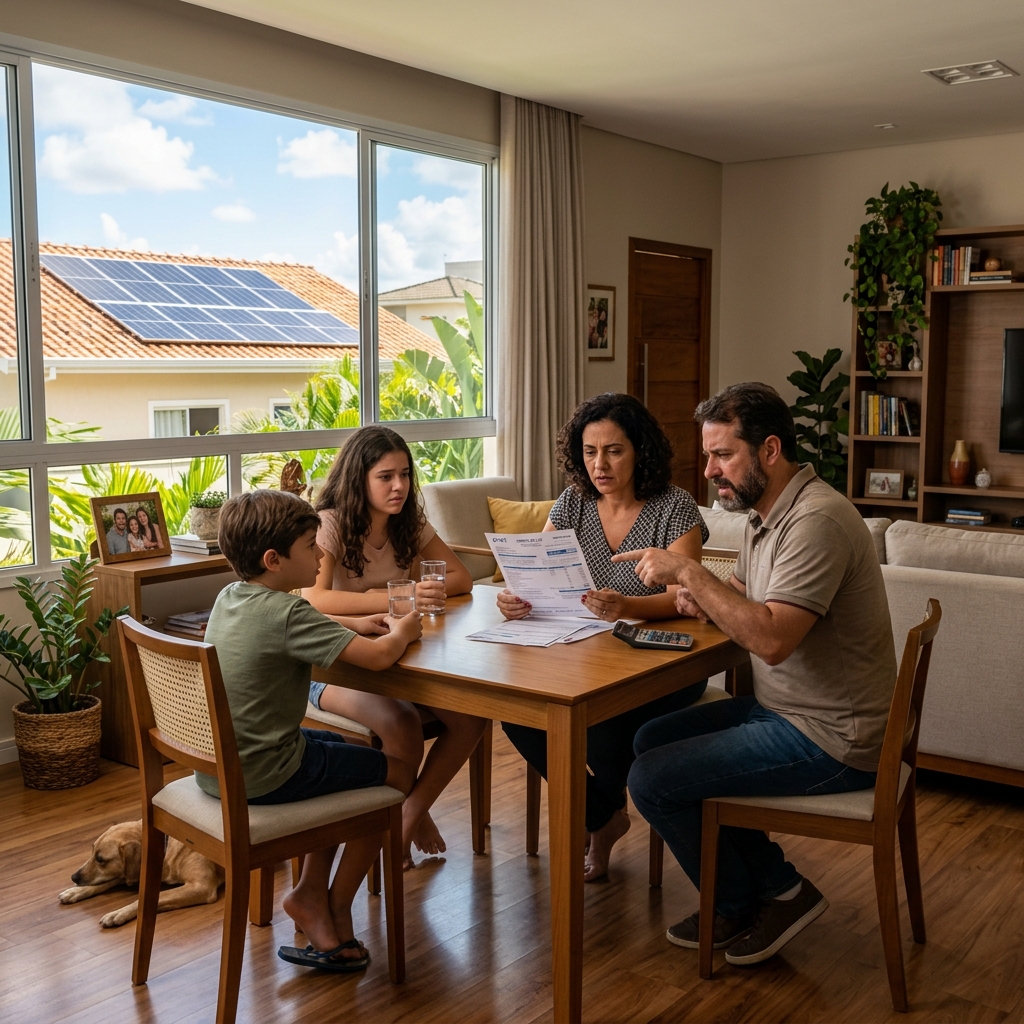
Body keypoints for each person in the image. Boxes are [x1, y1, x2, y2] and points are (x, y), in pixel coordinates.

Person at [618, 382, 896, 966]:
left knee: (651, 779)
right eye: (709, 455)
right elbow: (744, 599)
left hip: (832, 737)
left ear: (769, 450)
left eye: (723, 455)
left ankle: (745, 900)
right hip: (790, 712)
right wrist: (705, 599)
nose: (710, 471)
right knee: (648, 739)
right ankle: (774, 889)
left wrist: (690, 574)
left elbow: (770, 641)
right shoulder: (764, 516)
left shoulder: (815, 521)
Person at [199, 488, 423, 972]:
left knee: (349, 748)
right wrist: (405, 628)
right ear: (273, 560)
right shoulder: (288, 612)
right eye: (310, 547)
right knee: (399, 771)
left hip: (221, 769)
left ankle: (309, 893)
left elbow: (299, 623)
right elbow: (380, 659)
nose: (322, 556)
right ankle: (334, 902)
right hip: (269, 776)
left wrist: (350, 623)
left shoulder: (231, 597)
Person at [497, 392, 709, 882]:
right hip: (585, 656)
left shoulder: (674, 506)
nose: (600, 464)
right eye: (590, 452)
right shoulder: (573, 502)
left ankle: (600, 822)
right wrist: (514, 597)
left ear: (640, 451)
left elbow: (686, 594)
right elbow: (535, 573)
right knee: (518, 714)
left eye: (614, 451)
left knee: (604, 725)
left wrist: (627, 606)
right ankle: (602, 817)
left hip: (665, 664)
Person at [302, 424, 486, 868]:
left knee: (471, 717)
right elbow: (315, 599)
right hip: (334, 667)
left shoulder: (408, 521)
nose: (399, 486)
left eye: (404, 474)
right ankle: (403, 818)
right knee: (403, 724)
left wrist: (421, 590)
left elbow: (461, 577)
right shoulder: (330, 524)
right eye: (385, 476)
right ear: (358, 479)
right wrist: (396, 596)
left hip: (401, 660)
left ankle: (410, 811)